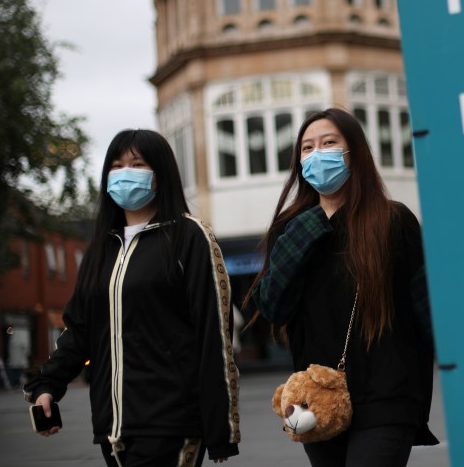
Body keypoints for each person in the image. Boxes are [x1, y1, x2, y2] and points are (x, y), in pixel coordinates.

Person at [23, 129, 240, 466]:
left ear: (161, 174)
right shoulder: (99, 248)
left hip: (173, 422)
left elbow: (215, 334)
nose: (125, 172)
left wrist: (221, 428)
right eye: (116, 165)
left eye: (137, 164)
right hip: (113, 428)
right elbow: (79, 329)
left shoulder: (189, 237)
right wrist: (46, 384)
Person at [247, 107, 437, 467]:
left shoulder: (393, 220)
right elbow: (273, 306)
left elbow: (426, 307)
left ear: (355, 153)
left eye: (329, 143)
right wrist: (305, 233)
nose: (317, 153)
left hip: (388, 396)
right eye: (307, 147)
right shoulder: (293, 228)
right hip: (317, 401)